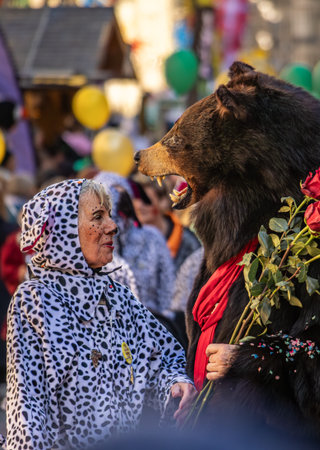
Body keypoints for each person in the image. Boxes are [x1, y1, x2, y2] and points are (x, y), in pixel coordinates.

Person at [4, 179, 196, 449]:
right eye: (98, 216)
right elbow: (28, 407)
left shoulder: (117, 296)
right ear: (64, 230)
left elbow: (160, 360)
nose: (113, 226)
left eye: (109, 214)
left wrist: (176, 384)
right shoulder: (36, 299)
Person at [94, 172, 175, 314]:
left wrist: (163, 322)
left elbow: (168, 291)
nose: (121, 214)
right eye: (113, 202)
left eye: (125, 201)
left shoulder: (151, 239)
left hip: (154, 327)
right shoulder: (90, 250)